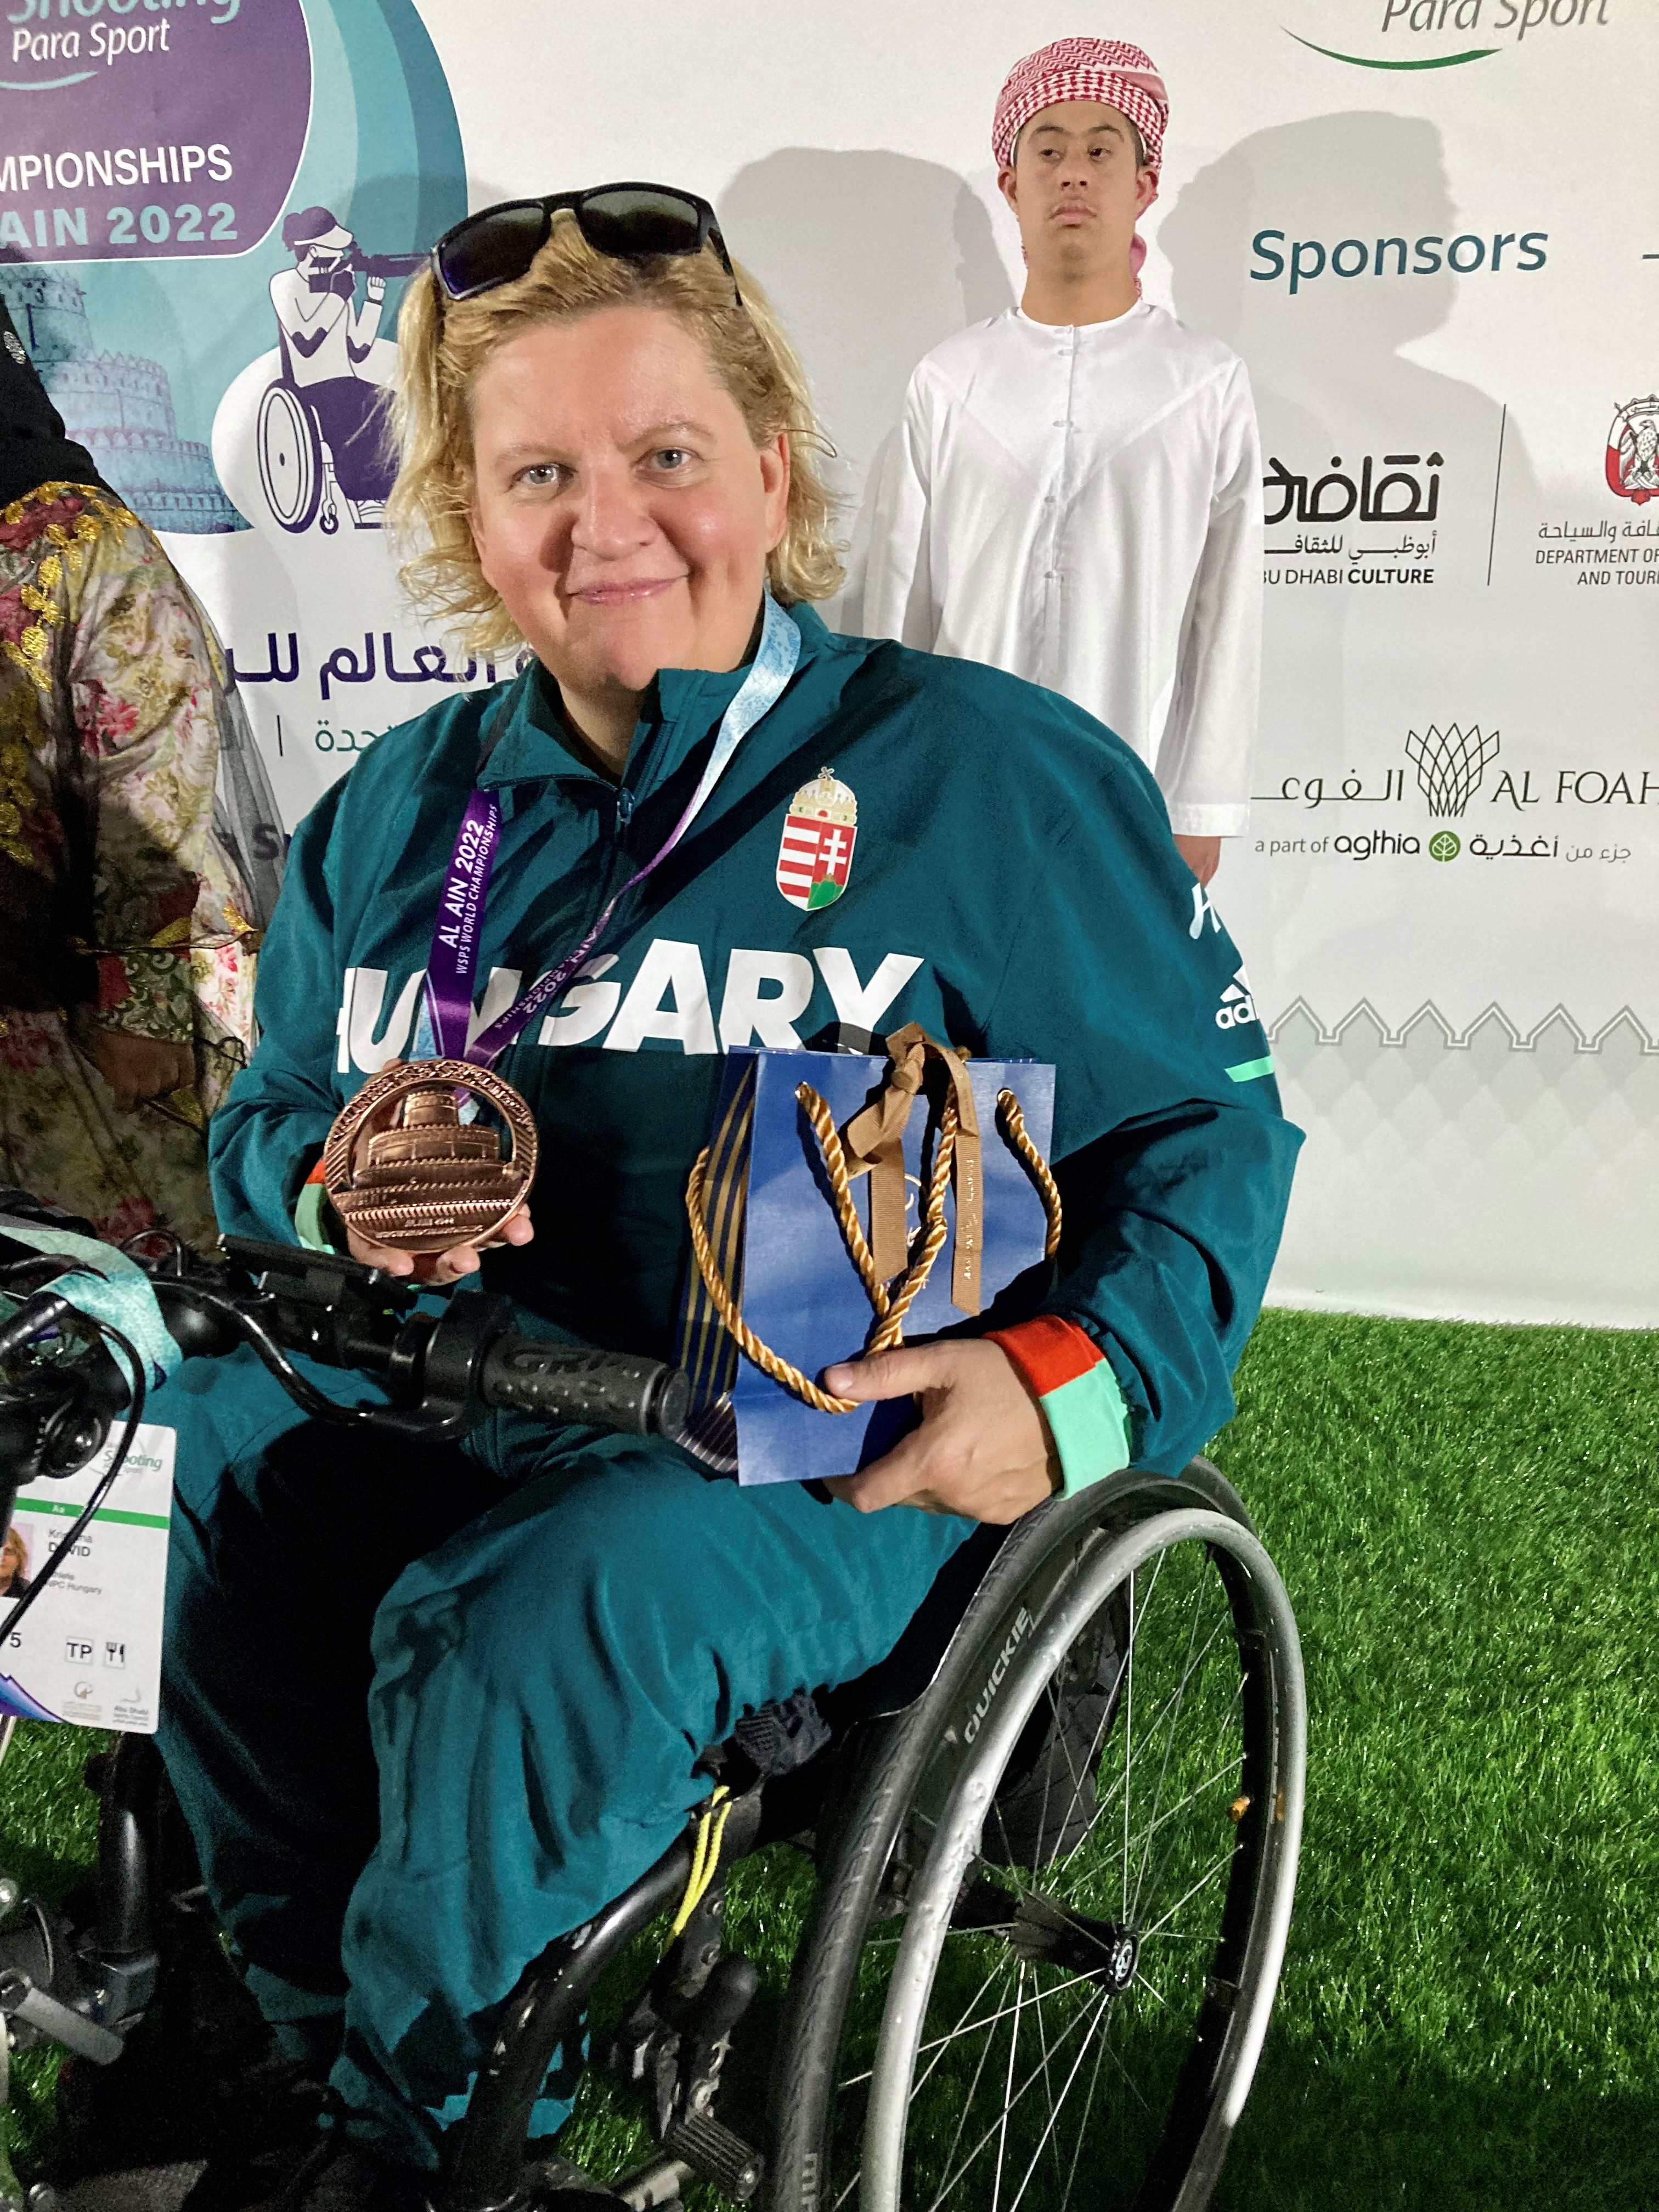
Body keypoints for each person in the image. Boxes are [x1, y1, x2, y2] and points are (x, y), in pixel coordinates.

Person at [155, 183, 1299, 2210]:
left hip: (793, 1435)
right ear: (472, 516)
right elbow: (265, 1126)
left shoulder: (985, 778)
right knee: (209, 1477)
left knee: (549, 1612)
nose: (606, 525)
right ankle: (321, 2039)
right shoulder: (401, 812)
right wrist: (329, 1191)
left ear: (771, 473)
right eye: (538, 474)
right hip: (446, 1381)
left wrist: (1065, 1387)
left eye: (664, 455)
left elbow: (1210, 1136)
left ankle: (417, 2154)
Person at [860, 37, 1263, 888]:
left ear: (1145, 185)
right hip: (962, 792)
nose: (1073, 173)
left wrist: (1201, 806)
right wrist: (887, 771)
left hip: (1131, 794)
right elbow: (900, 598)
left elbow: (1228, 608)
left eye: (1100, 151)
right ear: (1012, 186)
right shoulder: (950, 380)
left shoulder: (1204, 383)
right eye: (1048, 152)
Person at [0, 302, 278, 1250]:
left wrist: (145, 1011)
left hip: (109, 1015)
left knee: (169, 1283)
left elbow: (157, 779)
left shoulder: (78, 539)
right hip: (19, 1009)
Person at [270, 206, 398, 524]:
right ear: (314, 250)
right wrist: (338, 297)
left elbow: (358, 349)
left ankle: (386, 494)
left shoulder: (337, 286)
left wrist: (373, 301)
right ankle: (360, 494)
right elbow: (305, 342)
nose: (341, 256)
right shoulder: (286, 283)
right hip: (310, 386)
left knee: (393, 403)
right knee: (351, 407)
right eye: (334, 249)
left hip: (345, 379)